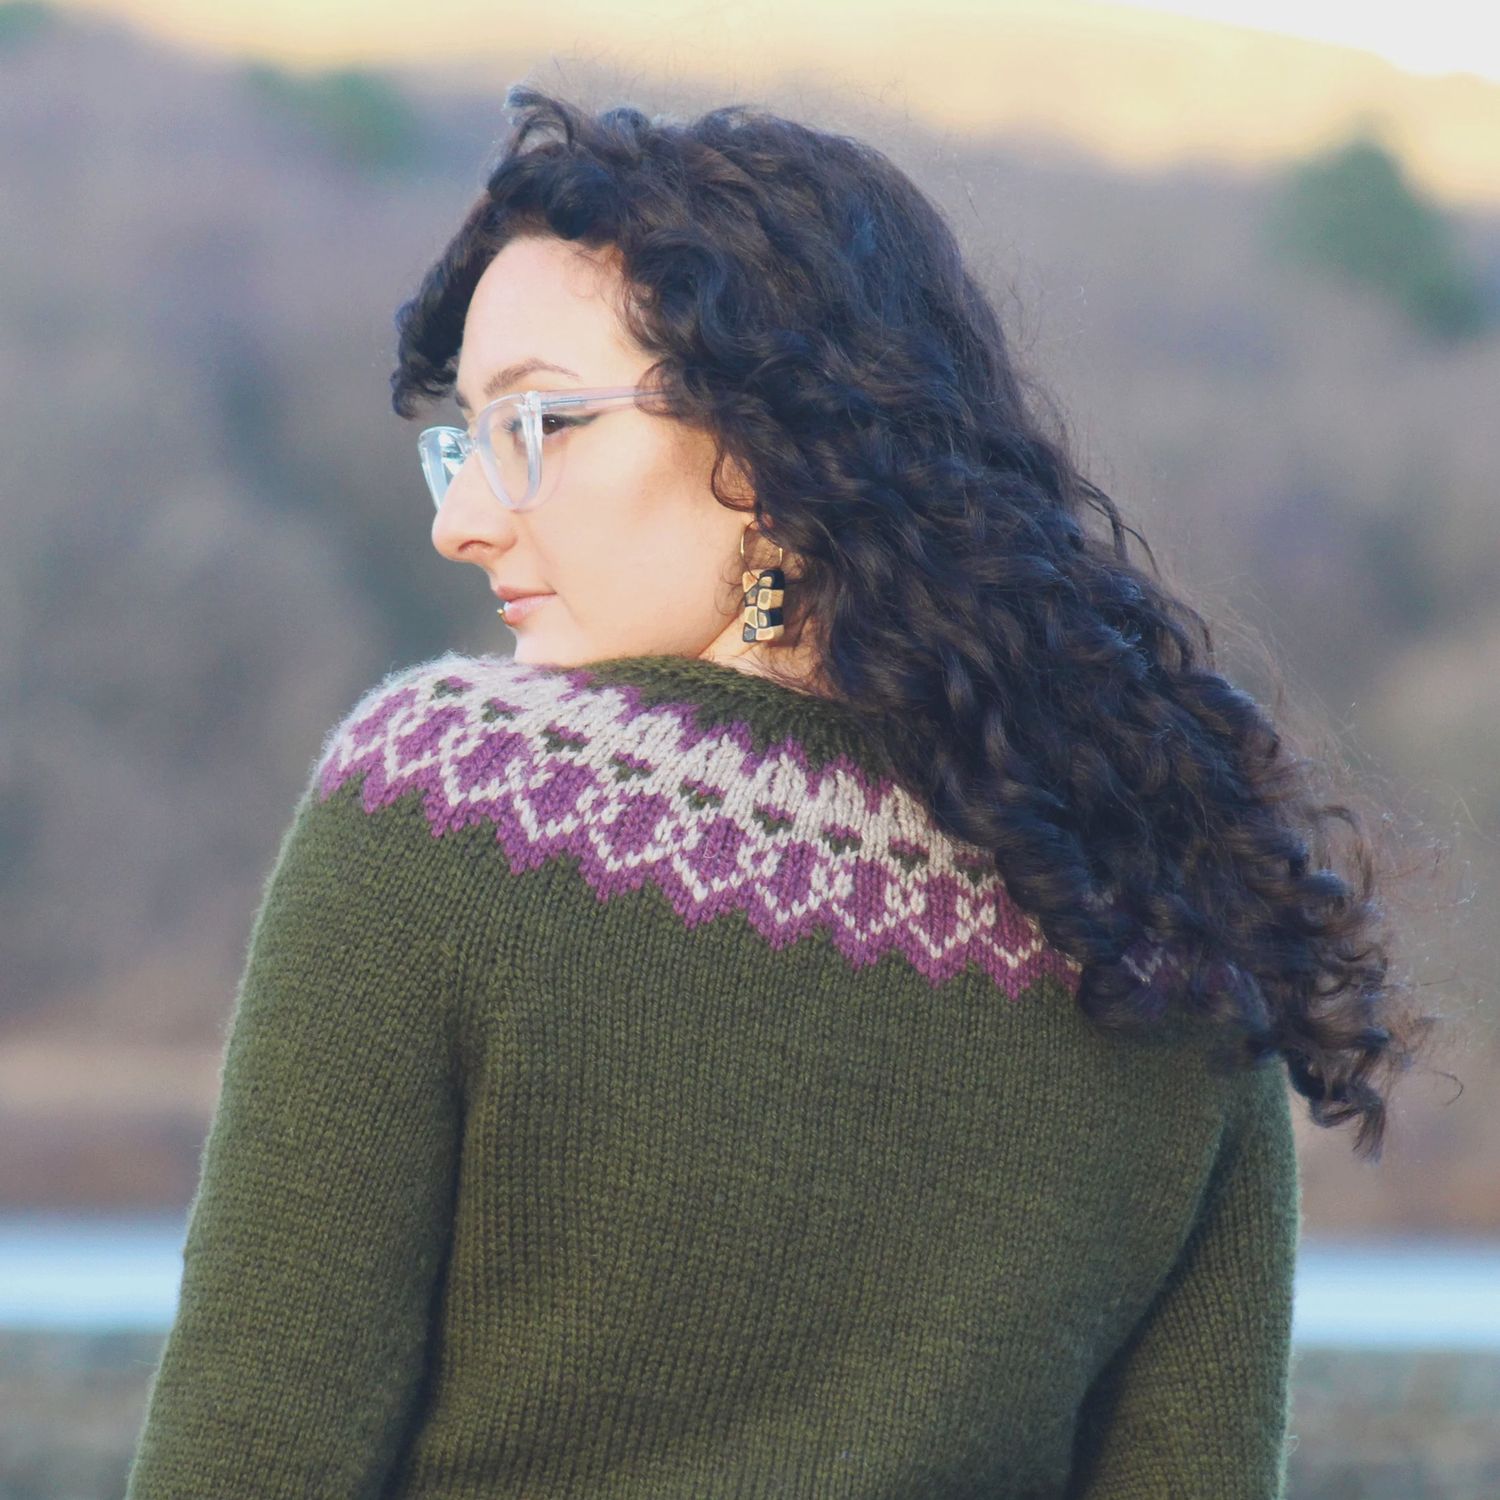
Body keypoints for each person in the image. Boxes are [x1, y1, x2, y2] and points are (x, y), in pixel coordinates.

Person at [124, 86, 1439, 1498]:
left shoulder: (447, 804)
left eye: (537, 424)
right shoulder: (1162, 916)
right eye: (464, 441)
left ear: (762, 450)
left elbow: (243, 1459)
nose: (462, 518)